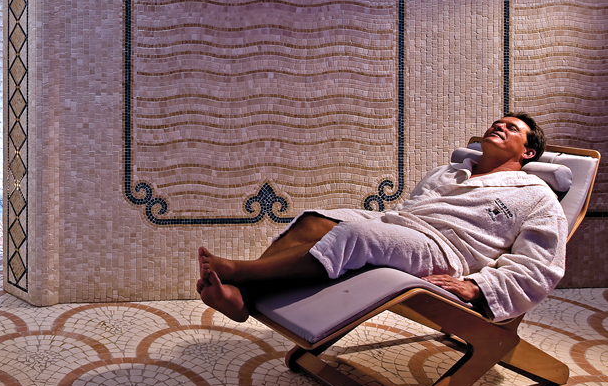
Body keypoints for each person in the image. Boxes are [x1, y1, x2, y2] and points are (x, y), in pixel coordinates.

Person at [197, 113, 567, 324]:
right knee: (314, 219)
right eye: (497, 123)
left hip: (447, 251)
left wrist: (479, 287)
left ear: (528, 151)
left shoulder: (536, 195)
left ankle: (239, 273)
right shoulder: (448, 172)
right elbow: (411, 209)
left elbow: (541, 266)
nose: (499, 126)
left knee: (354, 236)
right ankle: (244, 299)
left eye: (512, 128)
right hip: (401, 225)